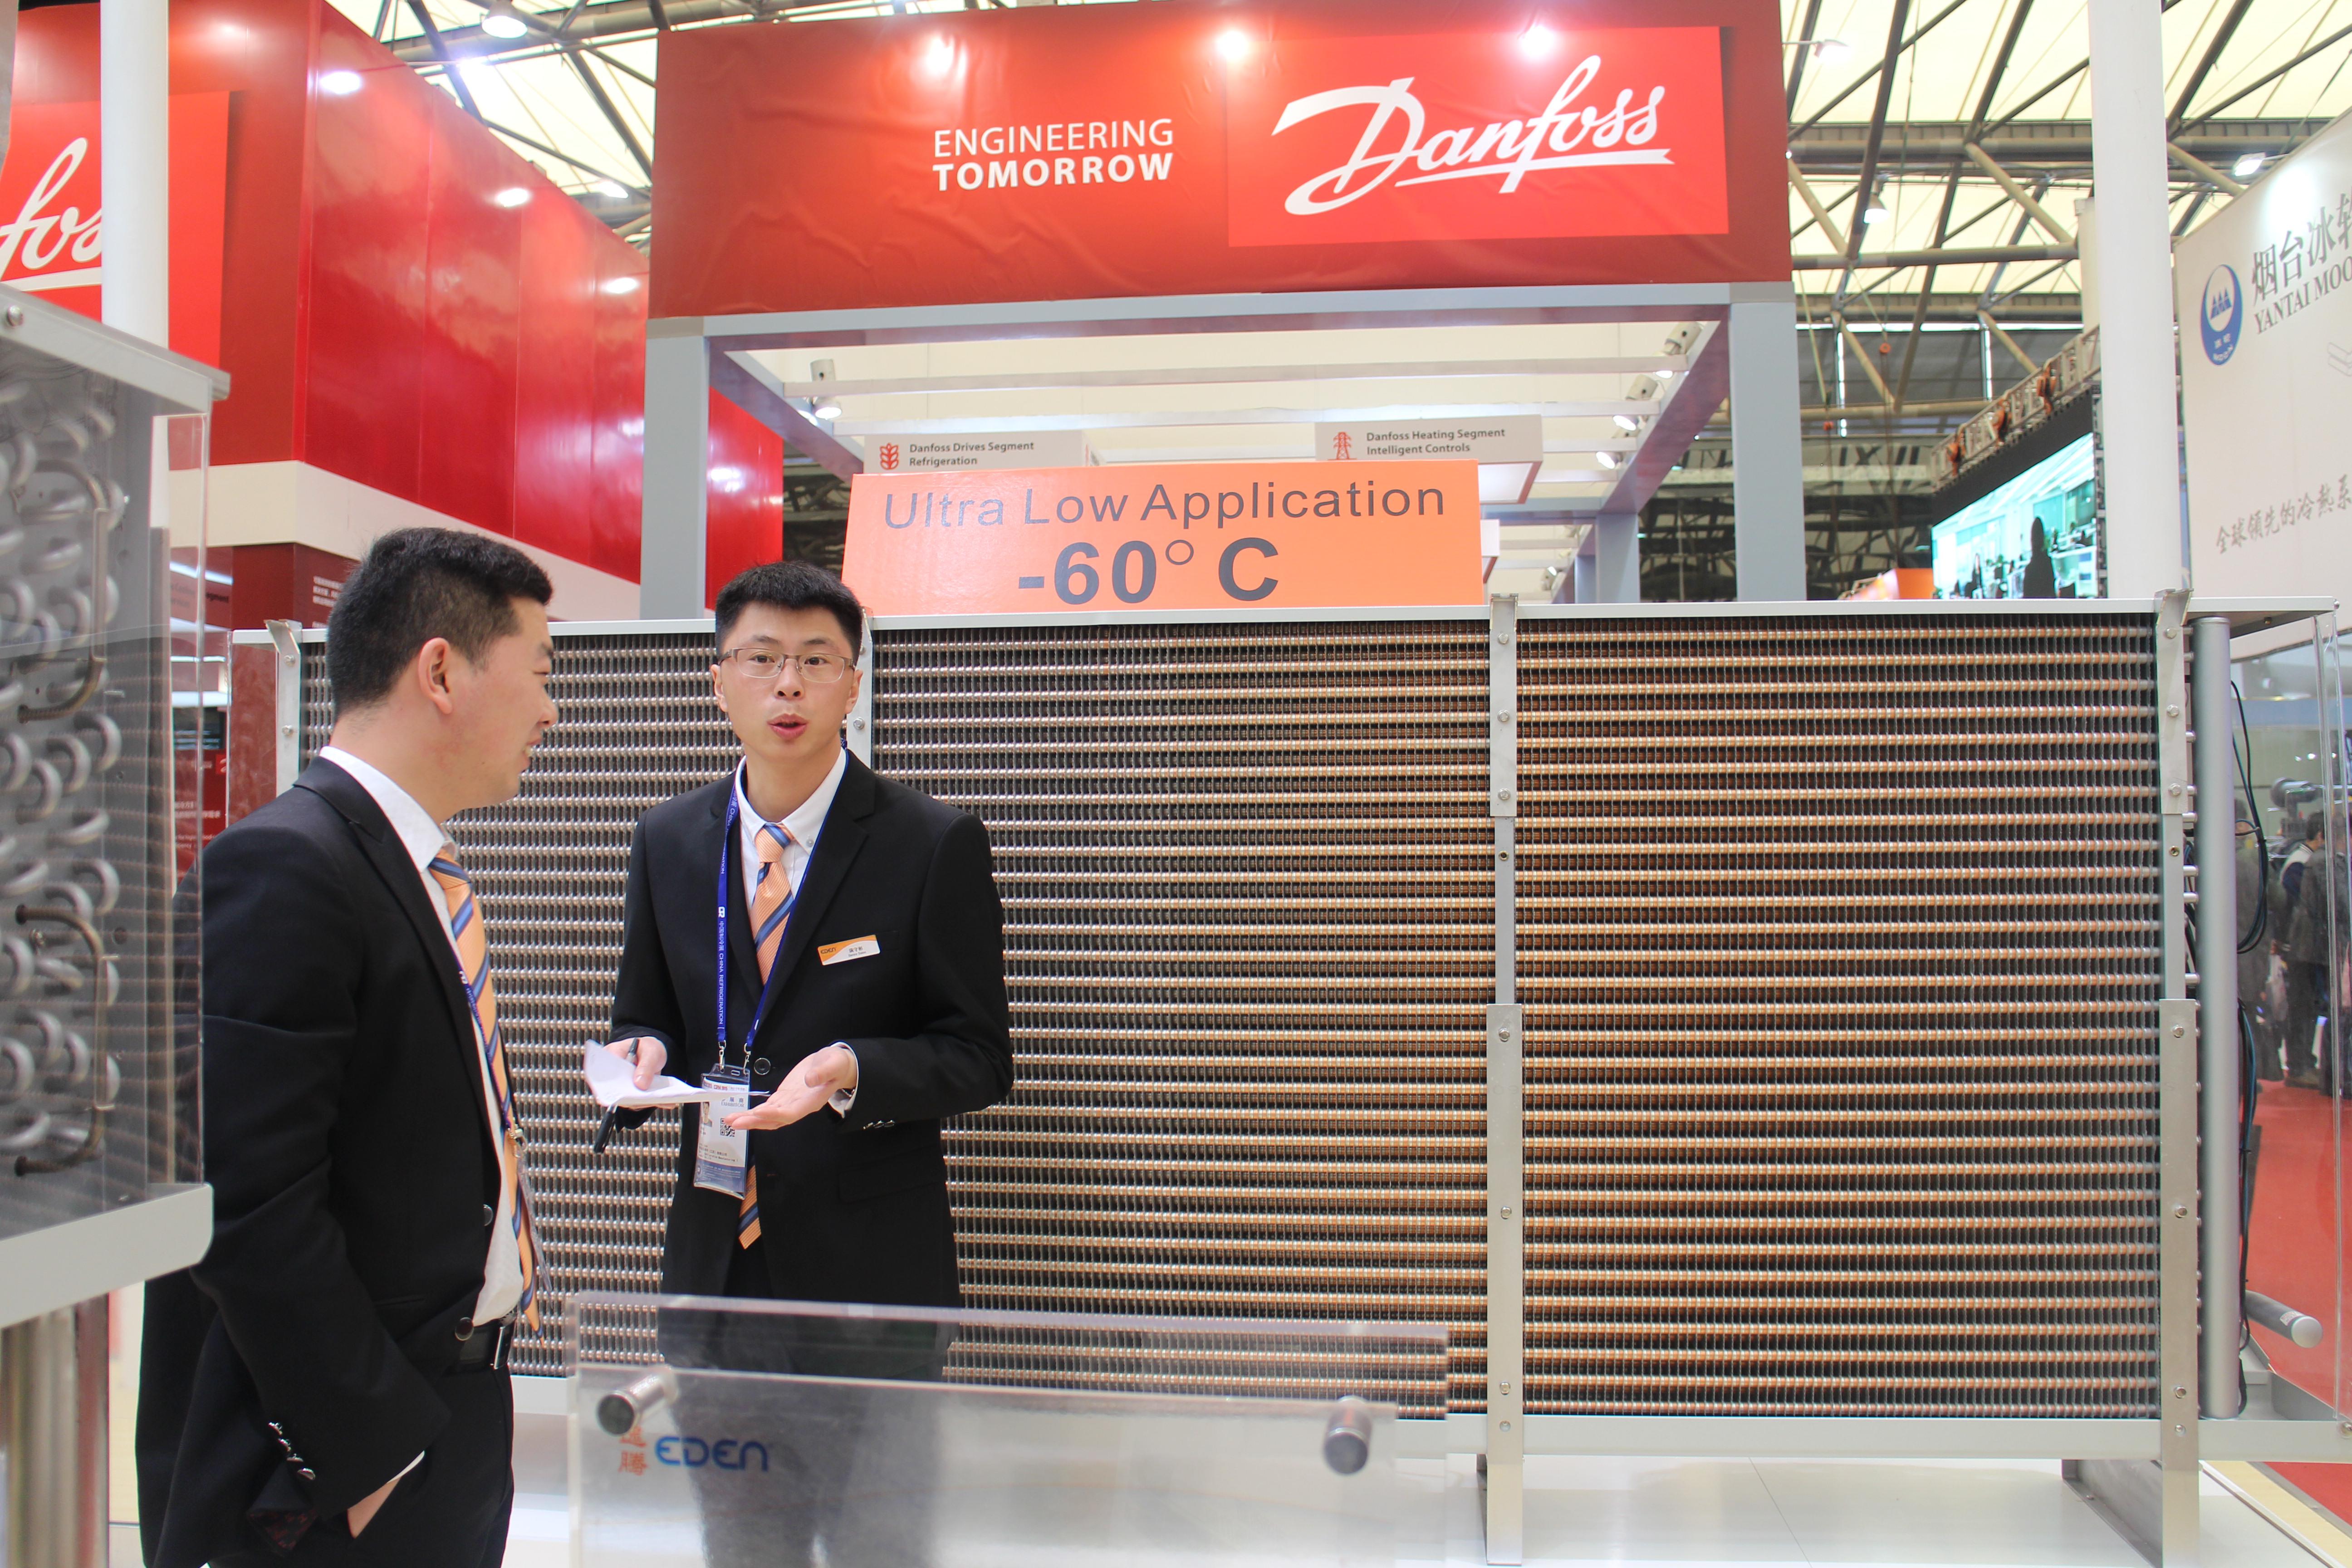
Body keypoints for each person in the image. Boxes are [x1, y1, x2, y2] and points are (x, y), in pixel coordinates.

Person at [137, 529, 559, 1568]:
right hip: (336, 1471)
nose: (552, 711)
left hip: (450, 1406)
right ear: (441, 672)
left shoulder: (405, 869)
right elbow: (243, 1199)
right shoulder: (285, 867)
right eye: (542, 671)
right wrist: (374, 1456)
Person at [601, 561, 1013, 1562]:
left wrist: (851, 1070)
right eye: (761, 659)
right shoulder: (668, 840)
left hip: (871, 1284)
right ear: (718, 681)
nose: (788, 685)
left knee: (881, 1548)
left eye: (817, 661)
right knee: (745, 1547)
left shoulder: (930, 843)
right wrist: (640, 1058)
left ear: (854, 682)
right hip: (718, 1275)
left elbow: (977, 1057)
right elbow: (645, 1015)